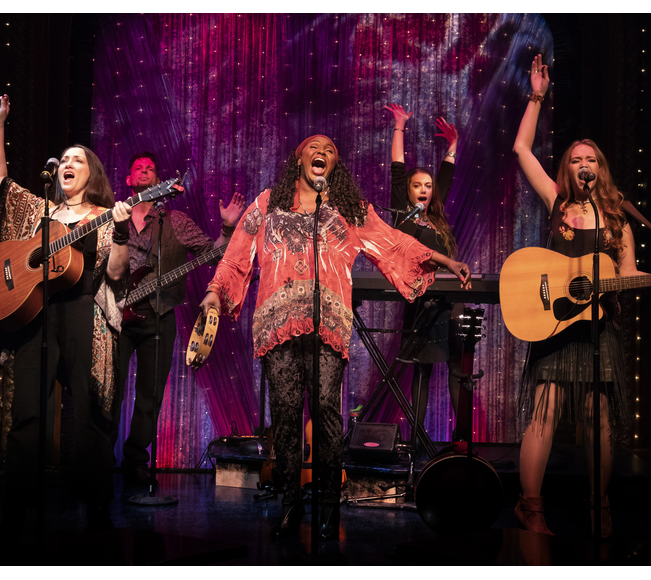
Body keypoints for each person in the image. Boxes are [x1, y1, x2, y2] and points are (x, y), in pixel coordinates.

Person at [199, 134, 472, 541]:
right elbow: (237, 255)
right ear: (298, 158)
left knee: (326, 413)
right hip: (278, 323)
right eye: (314, 146)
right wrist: (212, 294)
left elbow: (393, 243)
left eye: (330, 148)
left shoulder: (348, 209)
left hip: (328, 321)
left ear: (335, 163)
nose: (322, 151)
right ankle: (290, 505)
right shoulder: (267, 203)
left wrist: (445, 259)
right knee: (287, 418)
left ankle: (328, 506)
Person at [512, 56, 651, 537]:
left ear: (601, 169)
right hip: (555, 323)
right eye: (575, 159)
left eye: (591, 160)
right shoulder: (557, 202)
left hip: (598, 328)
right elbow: (521, 148)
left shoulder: (618, 219)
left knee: (598, 415)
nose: (583, 165)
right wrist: (537, 96)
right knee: (545, 408)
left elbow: (626, 274)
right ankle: (531, 507)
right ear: (567, 169)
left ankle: (599, 507)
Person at [0, 95, 133, 535]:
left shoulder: (104, 216)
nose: (68, 164)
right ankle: (17, 505)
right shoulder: (38, 211)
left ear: (91, 175)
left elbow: (116, 271)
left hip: (84, 314)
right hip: (36, 314)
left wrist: (121, 229)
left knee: (90, 410)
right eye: (64, 159)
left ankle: (96, 504)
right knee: (27, 411)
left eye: (78, 160)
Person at [115, 152, 244, 486]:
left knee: (149, 395)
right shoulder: (115, 217)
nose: (144, 172)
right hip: (114, 316)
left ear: (159, 181)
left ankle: (134, 461)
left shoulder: (177, 221)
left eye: (150, 169)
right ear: (129, 180)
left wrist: (228, 227)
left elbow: (213, 254)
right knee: (108, 391)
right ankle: (98, 458)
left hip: (158, 317)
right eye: (137, 168)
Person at [384, 104, 466, 440]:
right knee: (422, 371)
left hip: (450, 300)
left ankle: (463, 440)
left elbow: (446, 178)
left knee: (459, 369)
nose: (424, 189)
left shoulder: (438, 215)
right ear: (408, 191)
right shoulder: (405, 215)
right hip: (420, 302)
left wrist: (453, 147)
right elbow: (397, 170)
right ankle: (415, 441)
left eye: (428, 185)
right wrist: (399, 127)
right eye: (418, 185)